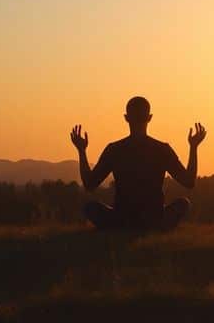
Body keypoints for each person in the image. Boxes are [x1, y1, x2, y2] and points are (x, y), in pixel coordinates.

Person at [70, 96, 206, 231]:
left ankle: (120, 229)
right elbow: (189, 182)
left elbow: (89, 184)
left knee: (90, 207)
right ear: (149, 117)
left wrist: (82, 151)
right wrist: (193, 147)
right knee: (183, 204)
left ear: (126, 118)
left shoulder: (115, 149)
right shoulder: (162, 149)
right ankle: (156, 228)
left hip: (121, 219)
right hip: (154, 218)